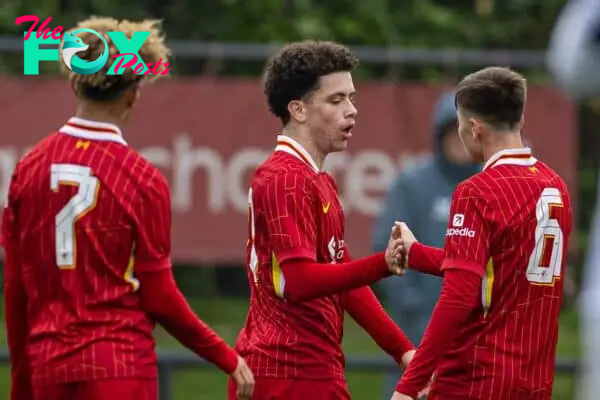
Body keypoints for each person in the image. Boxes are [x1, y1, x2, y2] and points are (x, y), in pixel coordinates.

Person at [1, 17, 254, 400]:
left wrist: (22, 381)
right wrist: (227, 357)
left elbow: (17, 289)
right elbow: (160, 297)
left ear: (74, 82)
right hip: (119, 367)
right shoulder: (142, 178)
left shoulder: (28, 169)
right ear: (133, 94)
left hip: (48, 367)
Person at [231, 40, 416, 400]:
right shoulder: (287, 178)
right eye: (336, 100)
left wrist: (402, 349)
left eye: (351, 97)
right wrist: (384, 263)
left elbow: (340, 274)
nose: (352, 110)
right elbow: (300, 280)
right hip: (289, 373)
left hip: (309, 369)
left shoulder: (316, 179)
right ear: (298, 110)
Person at [390, 67, 573, 400]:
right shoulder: (555, 187)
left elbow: (458, 297)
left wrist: (409, 384)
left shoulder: (477, 191)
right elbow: (500, 269)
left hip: (478, 380)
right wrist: (416, 253)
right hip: (534, 383)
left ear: (474, 128)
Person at [372, 91, 480, 397]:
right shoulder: (413, 183)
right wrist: (415, 313)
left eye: (465, 135)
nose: (459, 144)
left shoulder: (491, 185)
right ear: (439, 136)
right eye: (452, 134)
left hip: (476, 338)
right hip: (418, 334)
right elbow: (388, 247)